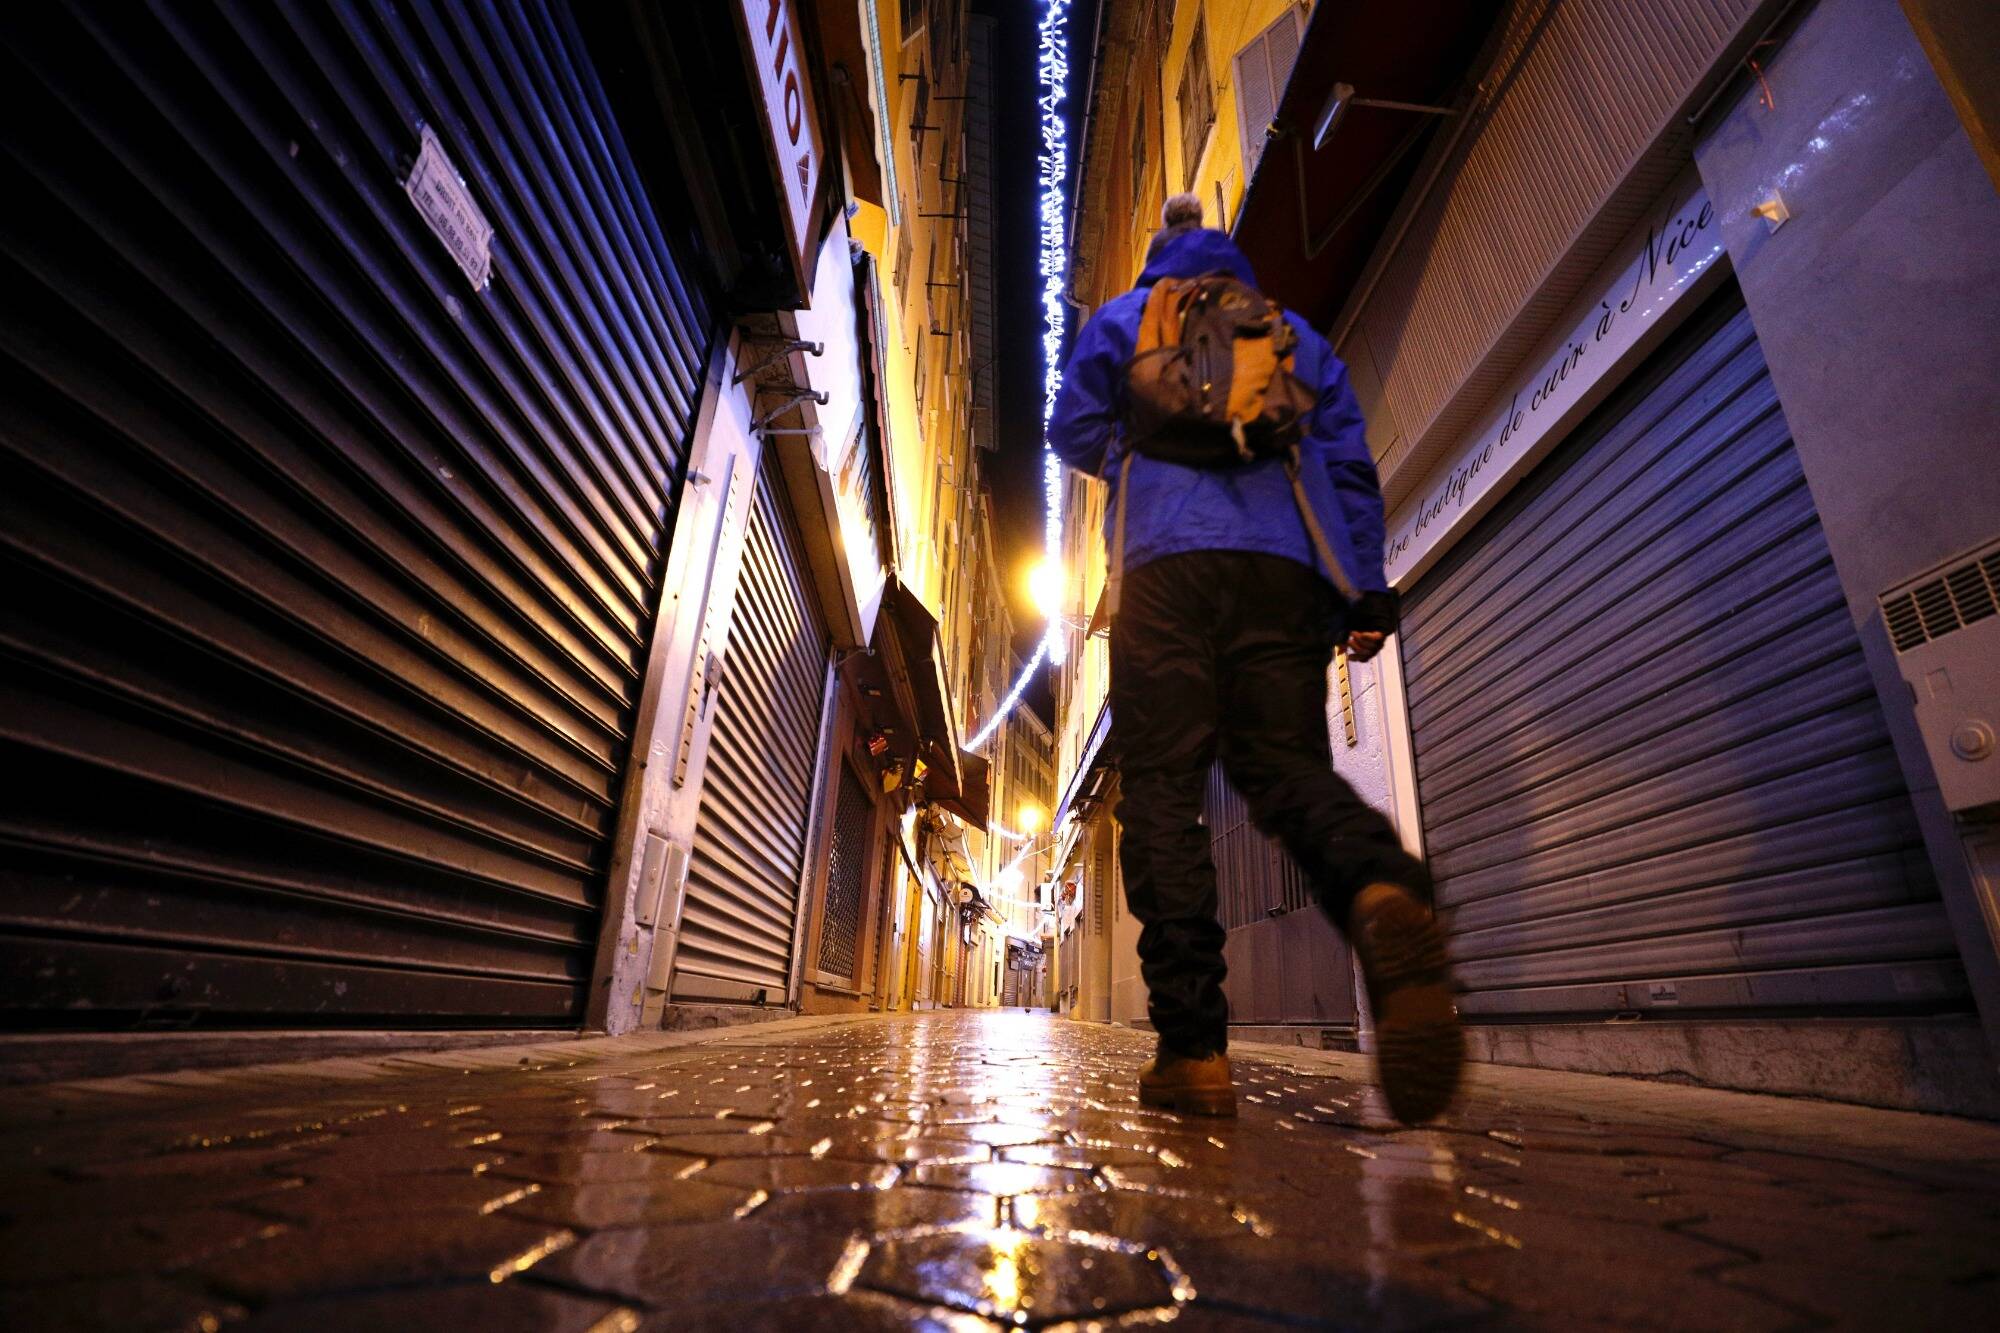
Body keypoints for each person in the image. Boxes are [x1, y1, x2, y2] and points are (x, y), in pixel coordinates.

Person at [1048, 194, 1463, 1124]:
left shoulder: (1125, 319)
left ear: (1159, 255)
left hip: (1163, 569)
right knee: (1282, 769)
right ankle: (1380, 885)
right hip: (1282, 572)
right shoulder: (1294, 336)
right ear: (1233, 264)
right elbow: (1348, 465)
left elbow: (1069, 429)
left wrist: (1133, 446)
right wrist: (1362, 587)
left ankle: (1193, 1052)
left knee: (1160, 792)